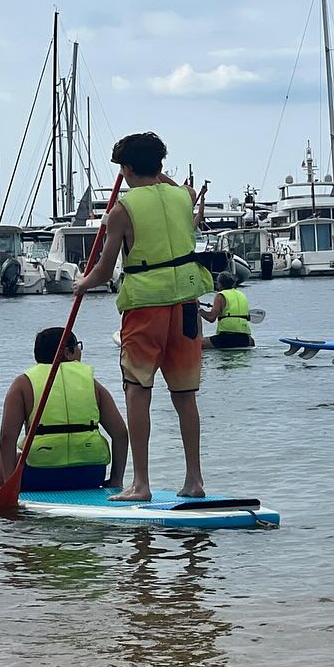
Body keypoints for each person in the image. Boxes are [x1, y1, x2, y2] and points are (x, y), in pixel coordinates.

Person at [74, 131, 215, 501]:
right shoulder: (184, 197)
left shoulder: (121, 210)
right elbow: (165, 184)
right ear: (161, 164)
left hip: (145, 306)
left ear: (127, 168)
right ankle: (194, 480)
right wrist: (154, 173)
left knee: (138, 392)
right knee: (185, 395)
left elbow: (104, 272)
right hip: (186, 304)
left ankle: (141, 484)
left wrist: (82, 284)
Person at [0, 327, 128, 495]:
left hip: (40, 476)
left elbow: (7, 438)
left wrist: (10, 485)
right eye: (78, 345)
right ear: (68, 352)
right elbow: (121, 434)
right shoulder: (92, 384)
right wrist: (116, 480)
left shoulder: (23, 384)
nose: (80, 350)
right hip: (90, 476)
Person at [199, 272, 255, 350]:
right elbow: (248, 317)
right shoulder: (242, 295)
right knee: (252, 341)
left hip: (226, 338)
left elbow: (211, 318)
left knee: (198, 344)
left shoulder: (220, 295)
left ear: (220, 284)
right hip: (245, 339)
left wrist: (199, 309)